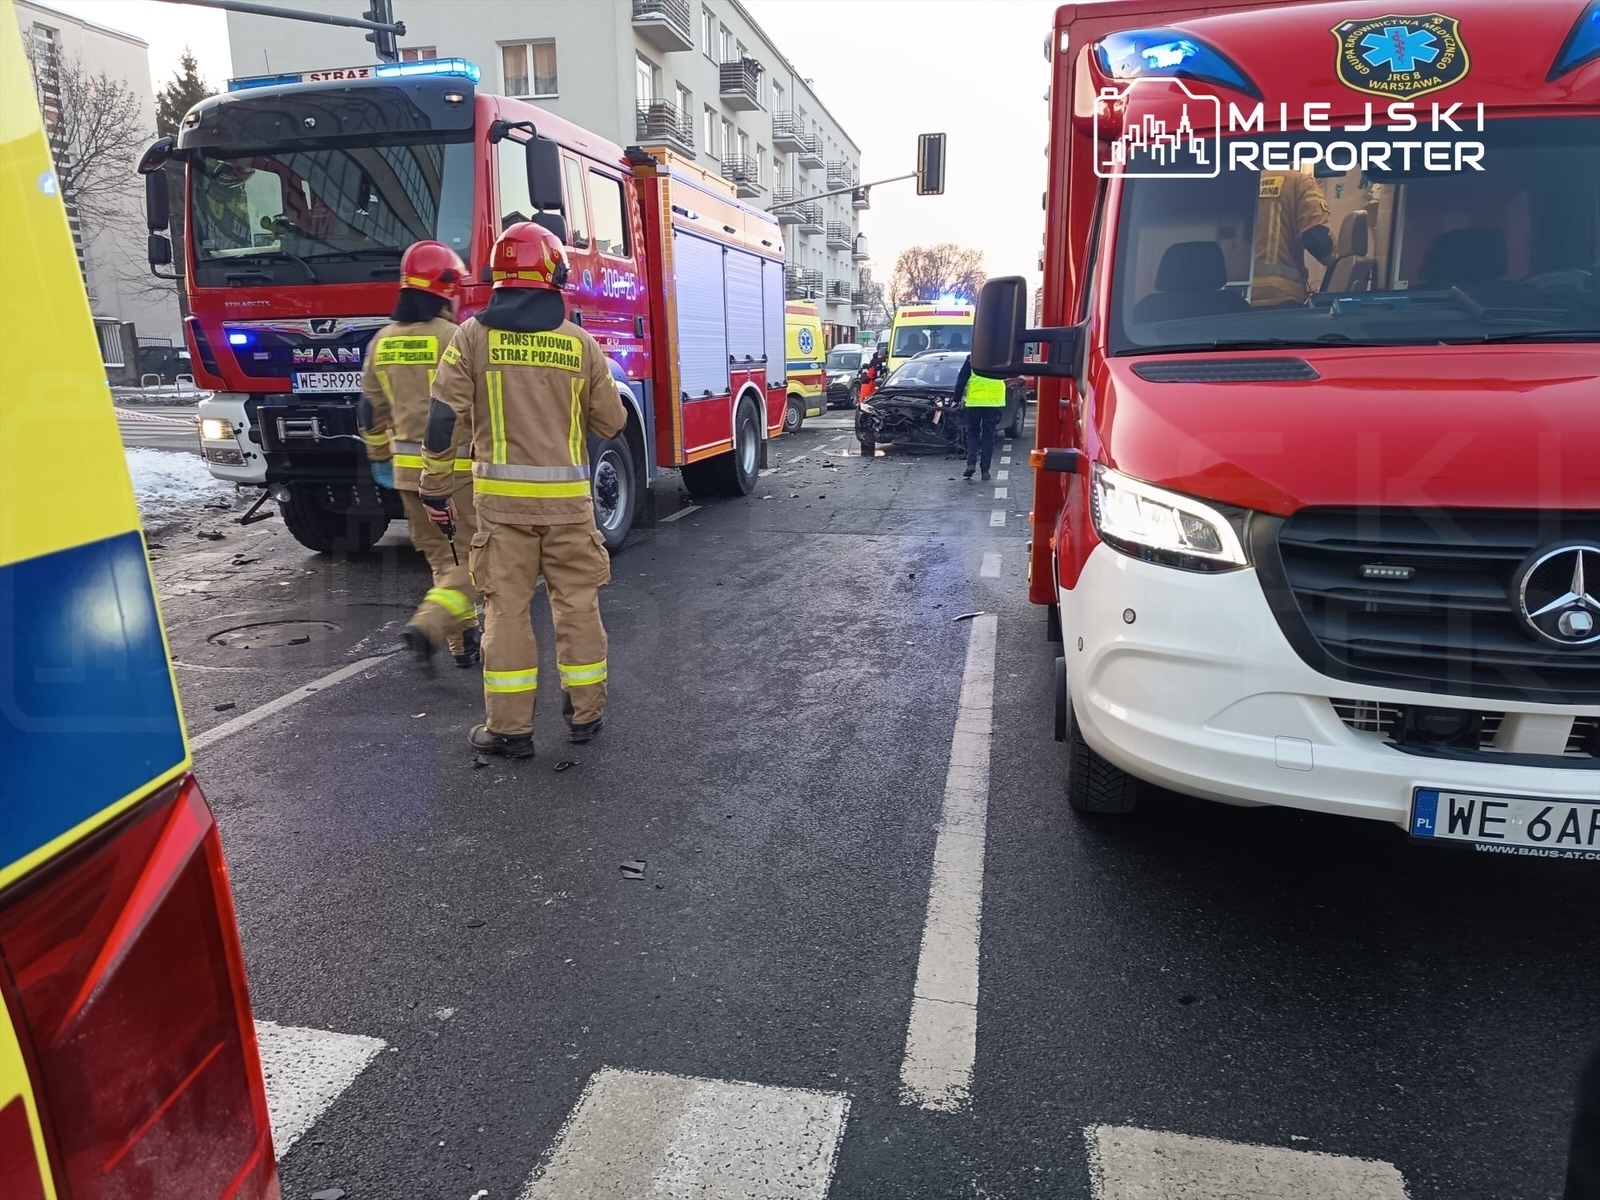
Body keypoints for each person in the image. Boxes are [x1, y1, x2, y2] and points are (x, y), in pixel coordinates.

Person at [419, 221, 627, 759]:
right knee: (578, 607)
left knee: (506, 612)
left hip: (501, 512)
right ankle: (586, 715)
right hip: (570, 511)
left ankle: (510, 731)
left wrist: (435, 489)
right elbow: (611, 422)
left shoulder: (471, 337)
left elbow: (441, 421)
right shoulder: (580, 344)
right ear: (553, 273)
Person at [358, 241, 481, 668]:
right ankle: (428, 625)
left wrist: (379, 457)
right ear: (447, 289)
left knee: (443, 560)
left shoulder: (382, 341)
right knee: (475, 562)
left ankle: (463, 644)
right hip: (455, 472)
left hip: (407, 476)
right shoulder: (454, 337)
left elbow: (369, 409)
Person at [1249, 167, 1337, 307]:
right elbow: (1316, 237)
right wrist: (1335, 260)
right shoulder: (1299, 182)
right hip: (1282, 297)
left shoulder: (1237, 184)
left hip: (1236, 300)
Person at [955, 356, 1006, 482]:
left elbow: (962, 379)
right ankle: (985, 471)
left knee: (973, 433)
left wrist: (956, 399)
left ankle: (971, 464)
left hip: (975, 402)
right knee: (988, 435)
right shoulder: (1000, 357)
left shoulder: (972, 358)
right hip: (994, 401)